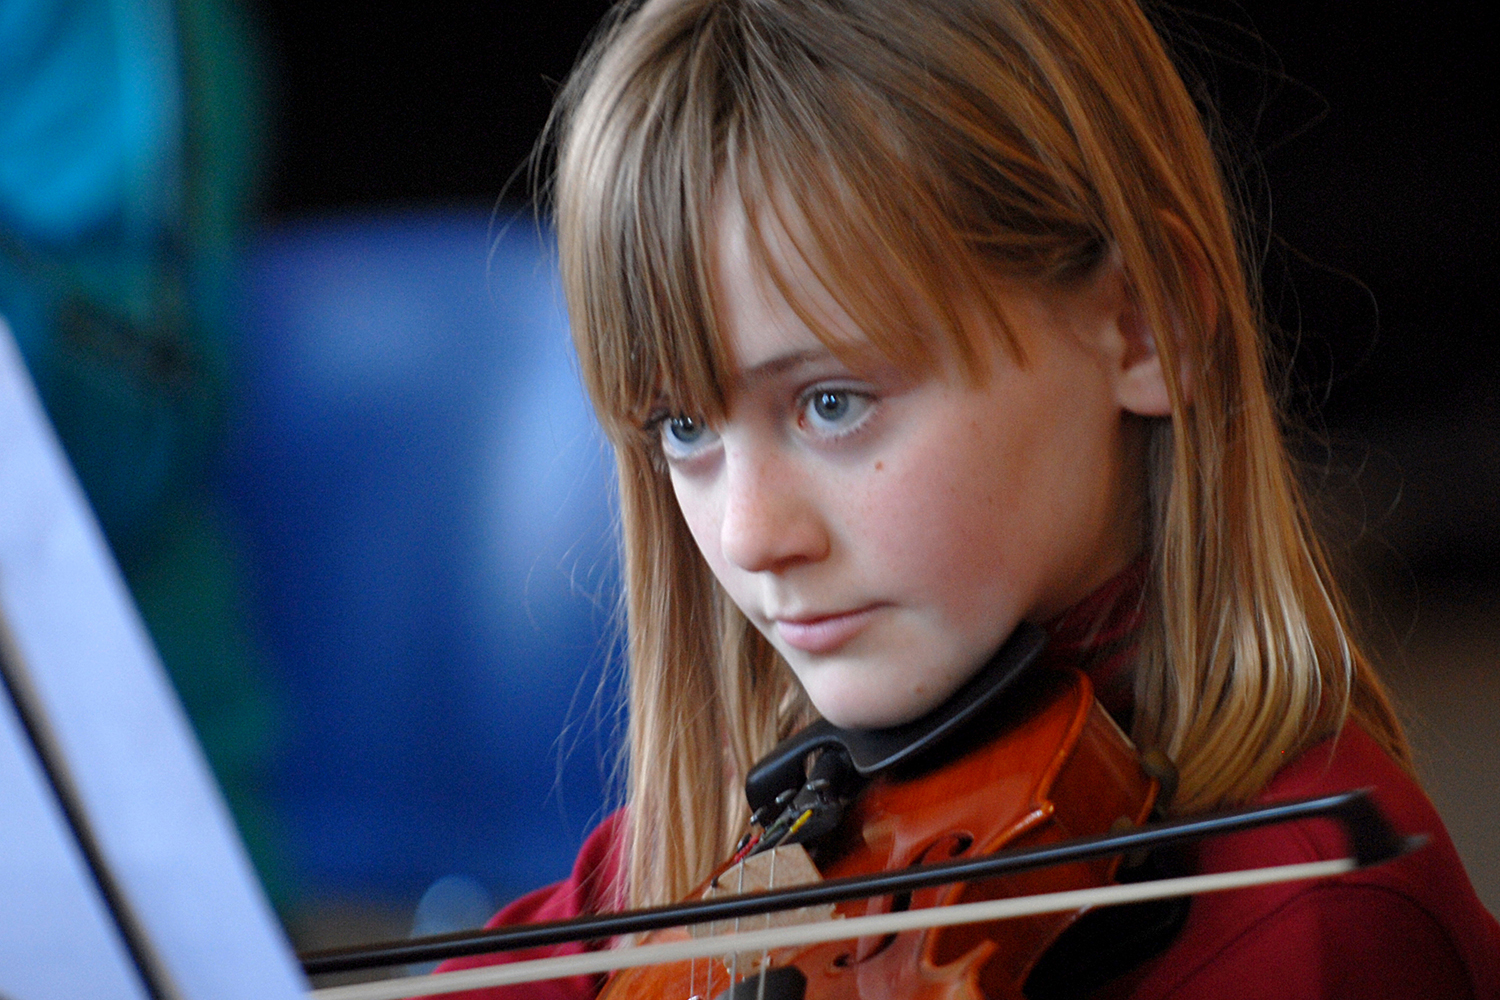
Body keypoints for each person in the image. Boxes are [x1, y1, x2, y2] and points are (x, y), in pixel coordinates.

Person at [435, 0, 1500, 995]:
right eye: (684, 428)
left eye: (833, 402)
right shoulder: (781, 847)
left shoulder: (1307, 928)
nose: (750, 535)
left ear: (1146, 324)